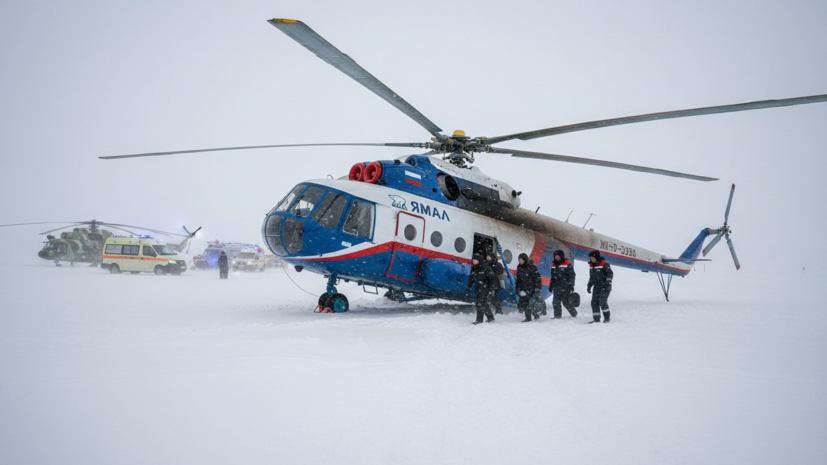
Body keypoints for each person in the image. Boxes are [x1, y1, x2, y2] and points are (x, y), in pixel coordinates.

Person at [466, 254, 496, 324]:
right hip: (478, 287)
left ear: (479, 261)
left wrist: (491, 289)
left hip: (485, 288)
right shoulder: (473, 268)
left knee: (480, 303)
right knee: (483, 303)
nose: (474, 262)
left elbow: (492, 279)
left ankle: (479, 320)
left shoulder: (485, 268)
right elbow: (471, 279)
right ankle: (490, 317)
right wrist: (468, 287)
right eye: (473, 261)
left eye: (475, 261)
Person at [549, 249, 577, 318]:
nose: (557, 257)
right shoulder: (554, 265)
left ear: (561, 256)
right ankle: (557, 315)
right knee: (555, 302)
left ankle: (574, 313)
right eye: (555, 256)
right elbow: (552, 277)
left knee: (566, 303)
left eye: (558, 256)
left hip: (565, 287)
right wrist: (551, 285)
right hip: (556, 287)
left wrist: (571, 284)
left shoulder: (567, 264)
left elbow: (572, 275)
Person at [586, 250, 613, 323]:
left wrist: (608, 283)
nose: (592, 259)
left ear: (596, 257)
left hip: (605, 286)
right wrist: (589, 285)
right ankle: (596, 319)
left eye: (593, 258)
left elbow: (610, 274)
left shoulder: (604, 264)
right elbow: (592, 277)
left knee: (602, 301)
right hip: (596, 286)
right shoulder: (591, 265)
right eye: (591, 258)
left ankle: (607, 319)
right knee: (594, 302)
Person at [515, 253, 542, 322]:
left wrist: (537, 288)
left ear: (525, 260)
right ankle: (534, 315)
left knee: (527, 302)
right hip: (523, 288)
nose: (520, 261)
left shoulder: (532, 267)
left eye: (521, 260)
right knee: (522, 303)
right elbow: (518, 279)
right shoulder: (519, 267)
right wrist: (517, 288)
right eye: (519, 260)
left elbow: (537, 278)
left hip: (531, 288)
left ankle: (528, 318)